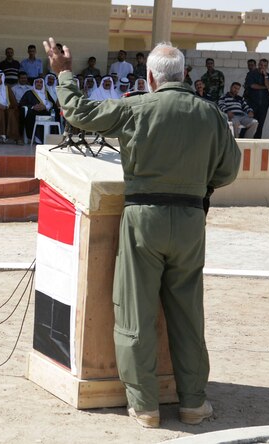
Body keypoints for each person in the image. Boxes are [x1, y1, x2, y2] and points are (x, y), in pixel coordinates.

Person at [44, 37, 241, 428]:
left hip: (143, 220)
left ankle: (146, 406)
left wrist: (64, 72)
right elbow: (229, 170)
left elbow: (79, 114)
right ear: (183, 75)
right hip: (189, 223)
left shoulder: (136, 107)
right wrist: (198, 186)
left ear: (150, 77)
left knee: (134, 313)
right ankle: (193, 404)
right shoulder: (211, 114)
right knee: (187, 316)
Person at [19, 77, 55, 143]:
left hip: (45, 111)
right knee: (31, 115)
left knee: (52, 114)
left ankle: (47, 139)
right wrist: (33, 107)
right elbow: (21, 103)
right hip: (33, 111)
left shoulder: (46, 93)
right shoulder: (29, 93)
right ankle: (35, 137)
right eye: (37, 82)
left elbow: (52, 103)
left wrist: (45, 107)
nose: (39, 84)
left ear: (43, 84)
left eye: (41, 82)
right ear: (34, 84)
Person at [243, 59, 269, 139]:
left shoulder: (268, 75)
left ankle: (257, 140)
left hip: (264, 104)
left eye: (264, 65)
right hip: (252, 103)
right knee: (250, 122)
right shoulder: (251, 74)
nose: (262, 67)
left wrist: (265, 75)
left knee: (260, 124)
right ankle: (246, 139)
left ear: (267, 67)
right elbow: (252, 85)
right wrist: (264, 87)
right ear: (258, 64)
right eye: (261, 65)